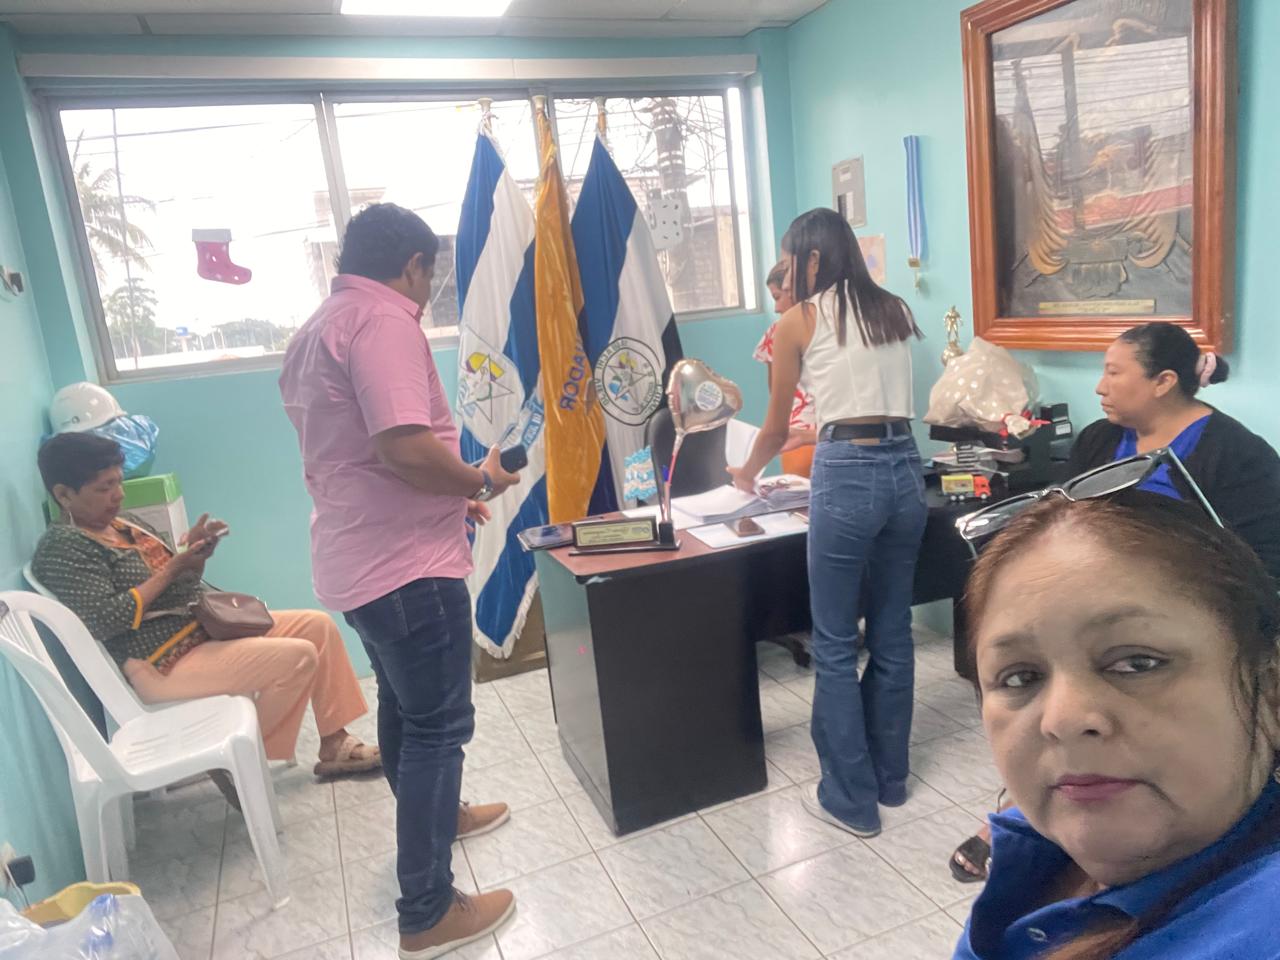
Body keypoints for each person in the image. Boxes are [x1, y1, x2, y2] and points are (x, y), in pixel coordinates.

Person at [950, 321, 1280, 883]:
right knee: (1053, 706)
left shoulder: (1238, 455)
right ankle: (1020, 813)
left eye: (1113, 372)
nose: (1100, 386)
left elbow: (1265, 569)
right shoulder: (1099, 442)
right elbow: (1058, 527)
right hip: (1079, 621)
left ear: (1163, 382)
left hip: (1173, 629)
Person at [279, 203, 522, 960]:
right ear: (414, 265)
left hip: (362, 562)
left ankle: (436, 819)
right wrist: (476, 480)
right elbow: (405, 448)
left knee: (404, 709)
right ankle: (426, 909)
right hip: (406, 571)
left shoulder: (318, 327)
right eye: (430, 273)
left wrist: (450, 497)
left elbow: (359, 454)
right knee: (438, 730)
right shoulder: (384, 323)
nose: (428, 288)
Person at [953, 492, 1280, 960]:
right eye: (1020, 677)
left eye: (1137, 663)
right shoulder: (1040, 844)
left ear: (1271, 689)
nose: (1062, 720)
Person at [31, 432, 379, 787]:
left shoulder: (125, 526)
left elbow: (181, 589)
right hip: (155, 664)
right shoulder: (64, 547)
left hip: (198, 633)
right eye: (104, 488)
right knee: (299, 657)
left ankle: (335, 743)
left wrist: (195, 556)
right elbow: (102, 620)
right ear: (64, 494)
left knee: (317, 626)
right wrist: (172, 568)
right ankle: (238, 765)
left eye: (118, 482)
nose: (118, 495)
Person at [729, 207, 925, 837]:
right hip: (905, 469)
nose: (787, 272)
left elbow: (775, 426)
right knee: (892, 632)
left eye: (791, 259)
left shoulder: (800, 320)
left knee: (835, 643)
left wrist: (746, 472)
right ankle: (890, 779)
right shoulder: (893, 308)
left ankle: (850, 799)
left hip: (848, 471)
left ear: (812, 259)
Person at [753, 259, 817, 477]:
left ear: (794, 291)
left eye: (778, 297)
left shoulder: (779, 332)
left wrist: (748, 471)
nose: (776, 307)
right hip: (834, 437)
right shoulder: (833, 325)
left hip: (798, 439)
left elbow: (777, 394)